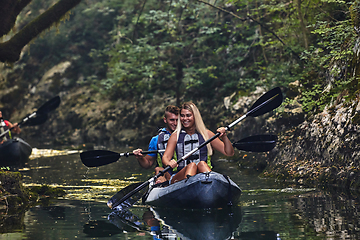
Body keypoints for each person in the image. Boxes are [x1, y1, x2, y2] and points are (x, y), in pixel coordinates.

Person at [162, 102, 234, 184]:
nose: (185, 119)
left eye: (188, 115)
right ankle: (190, 186)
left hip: (201, 174)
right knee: (192, 166)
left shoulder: (207, 134)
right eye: (182, 116)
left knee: (202, 164)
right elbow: (165, 157)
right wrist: (169, 163)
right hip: (180, 177)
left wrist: (224, 136)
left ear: (195, 116)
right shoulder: (175, 136)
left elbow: (229, 153)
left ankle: (210, 183)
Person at [133, 105, 179, 183]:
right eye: (172, 120)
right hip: (165, 174)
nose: (175, 123)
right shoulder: (156, 140)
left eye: (177, 120)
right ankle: (161, 183)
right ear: (165, 120)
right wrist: (140, 157)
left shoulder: (187, 136)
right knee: (158, 169)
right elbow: (148, 164)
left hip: (182, 173)